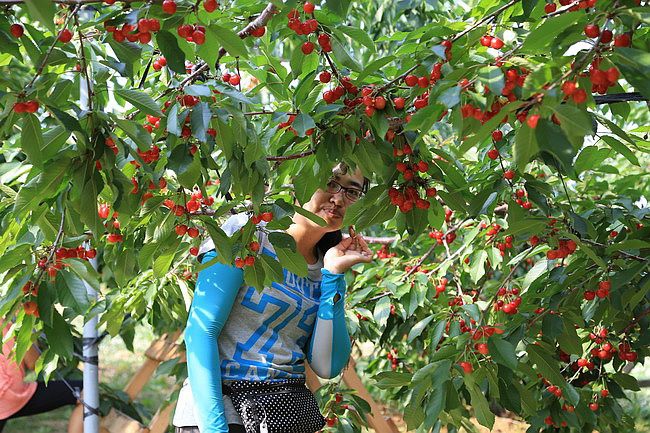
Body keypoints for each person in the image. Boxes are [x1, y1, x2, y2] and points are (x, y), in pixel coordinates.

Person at [172, 162, 374, 433]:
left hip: (283, 418)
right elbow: (200, 331)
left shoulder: (324, 265)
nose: (338, 198)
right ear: (299, 180)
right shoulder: (248, 233)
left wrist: (334, 275)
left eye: (351, 191)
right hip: (225, 416)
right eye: (331, 183)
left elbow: (327, 366)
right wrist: (215, 428)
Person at [0, 319, 83, 433]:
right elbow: (34, 363)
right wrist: (26, 322)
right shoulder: (10, 318)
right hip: (10, 394)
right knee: (87, 392)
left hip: (10, 395)